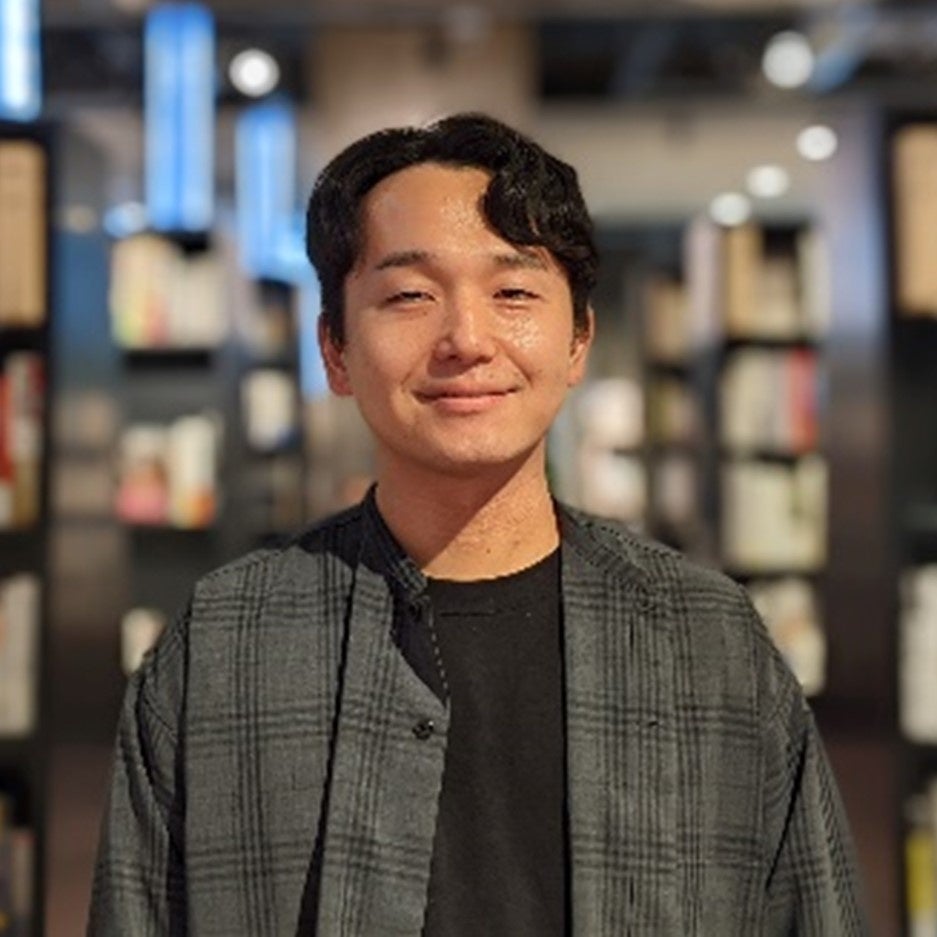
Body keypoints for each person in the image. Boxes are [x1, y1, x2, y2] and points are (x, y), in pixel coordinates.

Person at [88, 113, 866, 936]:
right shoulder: (225, 642)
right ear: (335, 350)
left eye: (513, 293)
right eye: (409, 295)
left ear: (577, 341)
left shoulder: (706, 638)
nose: (465, 338)